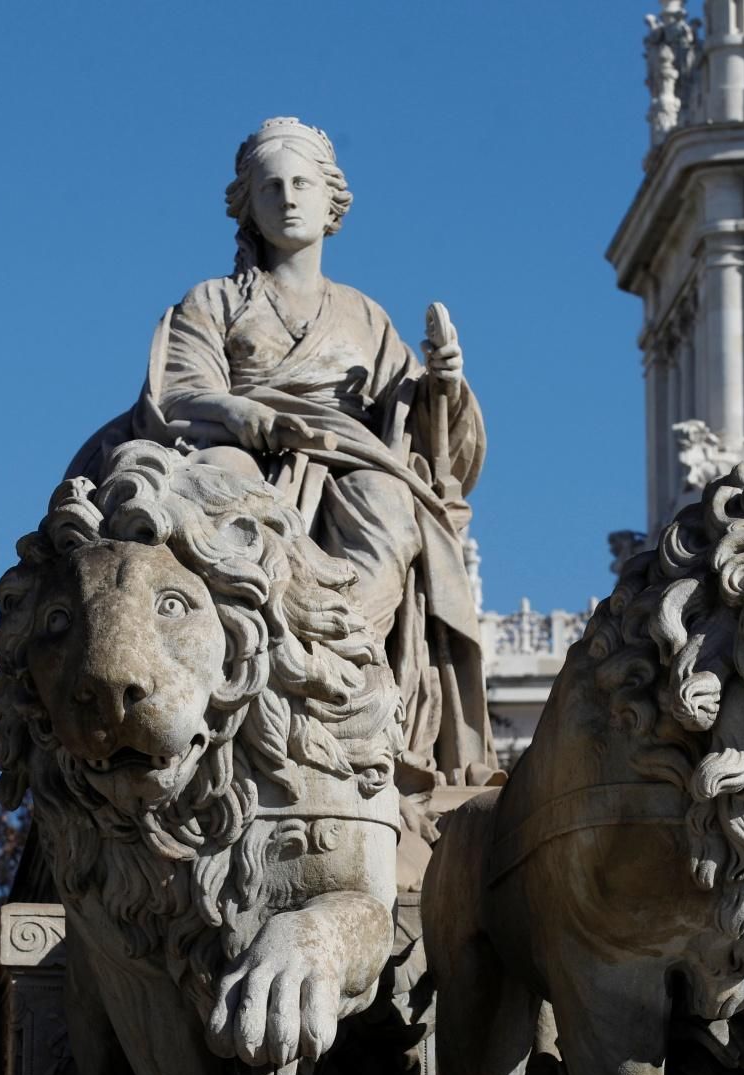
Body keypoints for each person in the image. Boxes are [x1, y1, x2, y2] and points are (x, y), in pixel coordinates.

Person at [71, 117, 495, 790]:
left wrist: (443, 382)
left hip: (350, 458)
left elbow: (419, 426)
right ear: (250, 206)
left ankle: (345, 675)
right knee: (229, 494)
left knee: (389, 504)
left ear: (332, 203)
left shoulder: (365, 315)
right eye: (272, 187)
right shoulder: (212, 300)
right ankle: (249, 672)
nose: (289, 197)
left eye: (302, 184)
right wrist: (244, 413)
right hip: (231, 446)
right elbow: (177, 391)